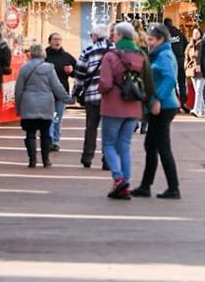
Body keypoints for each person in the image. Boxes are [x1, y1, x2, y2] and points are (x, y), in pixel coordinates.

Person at [98, 22, 154, 199]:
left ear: (120, 36)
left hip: (113, 106)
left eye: (114, 34)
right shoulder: (140, 55)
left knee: (108, 144)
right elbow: (148, 82)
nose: (112, 37)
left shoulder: (110, 56)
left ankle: (118, 178)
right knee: (125, 145)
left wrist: (100, 90)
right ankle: (126, 181)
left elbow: (105, 84)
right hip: (133, 107)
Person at [131, 23, 181, 199]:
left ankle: (173, 187)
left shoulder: (164, 55)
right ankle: (146, 186)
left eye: (151, 39)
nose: (149, 42)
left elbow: (169, 78)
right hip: (159, 104)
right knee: (151, 145)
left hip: (164, 106)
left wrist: (158, 99)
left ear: (160, 39)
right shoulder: (159, 54)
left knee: (162, 147)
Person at [15, 43, 72, 167]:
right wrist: (68, 99)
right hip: (46, 103)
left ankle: (32, 160)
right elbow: (57, 87)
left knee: (30, 133)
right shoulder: (49, 68)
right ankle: (46, 159)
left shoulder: (24, 68)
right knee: (45, 133)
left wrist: (18, 108)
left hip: (28, 103)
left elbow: (18, 89)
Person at [72, 24, 114, 169]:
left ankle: (87, 157)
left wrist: (76, 92)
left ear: (95, 36)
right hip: (110, 97)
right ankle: (107, 160)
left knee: (91, 127)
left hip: (92, 95)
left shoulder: (88, 51)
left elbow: (80, 74)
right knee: (108, 129)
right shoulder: (115, 50)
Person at [44, 32, 77, 151]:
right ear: (49, 41)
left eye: (59, 39)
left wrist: (71, 71)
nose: (57, 42)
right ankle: (48, 140)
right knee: (48, 118)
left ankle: (55, 141)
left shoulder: (67, 57)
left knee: (57, 117)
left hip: (61, 92)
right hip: (46, 92)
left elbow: (77, 72)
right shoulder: (44, 56)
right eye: (55, 39)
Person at [165, 17, 191, 113]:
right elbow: (186, 45)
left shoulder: (164, 35)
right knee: (181, 82)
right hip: (180, 60)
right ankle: (183, 102)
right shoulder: (179, 34)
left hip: (170, 61)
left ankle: (176, 103)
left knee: (172, 83)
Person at [185, 28, 205, 117]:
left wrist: (199, 64)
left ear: (201, 34)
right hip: (192, 71)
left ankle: (196, 109)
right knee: (198, 91)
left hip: (202, 70)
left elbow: (203, 56)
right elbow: (186, 56)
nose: (195, 34)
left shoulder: (203, 44)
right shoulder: (190, 45)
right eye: (194, 33)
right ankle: (203, 108)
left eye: (197, 33)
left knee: (198, 90)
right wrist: (186, 65)